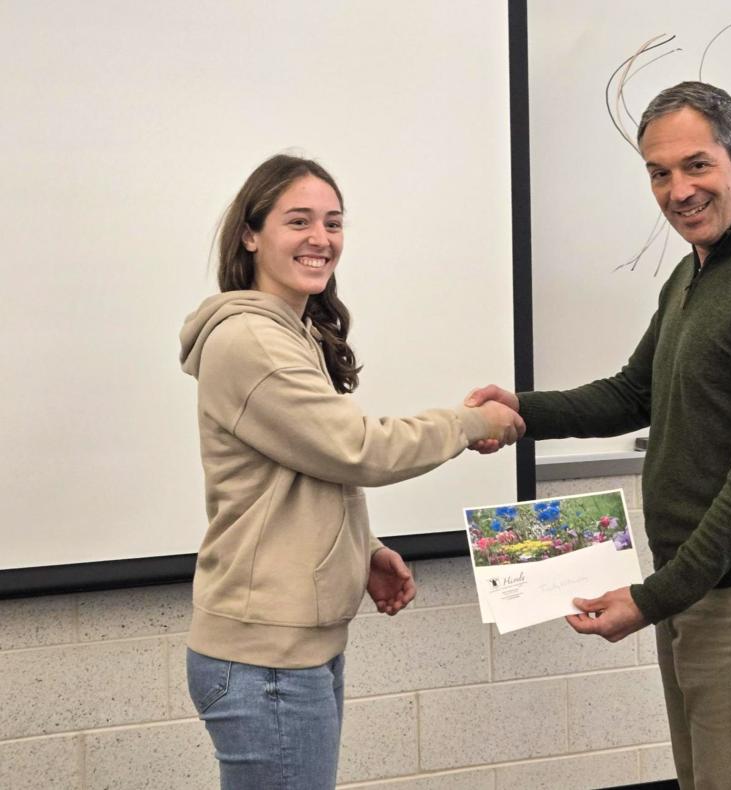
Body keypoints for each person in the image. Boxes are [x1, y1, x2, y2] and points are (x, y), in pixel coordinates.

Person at [468, 82, 731, 790]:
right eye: (658, 173)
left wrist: (651, 597)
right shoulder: (696, 271)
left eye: (697, 165)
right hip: (699, 585)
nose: (678, 191)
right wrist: (520, 412)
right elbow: (634, 391)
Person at [179, 153, 523, 789]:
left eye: (333, 223)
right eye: (299, 221)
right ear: (251, 235)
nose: (321, 239)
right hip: (266, 661)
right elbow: (358, 449)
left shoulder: (293, 330)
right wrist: (473, 422)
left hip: (289, 651)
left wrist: (361, 549)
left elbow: (304, 471)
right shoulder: (251, 341)